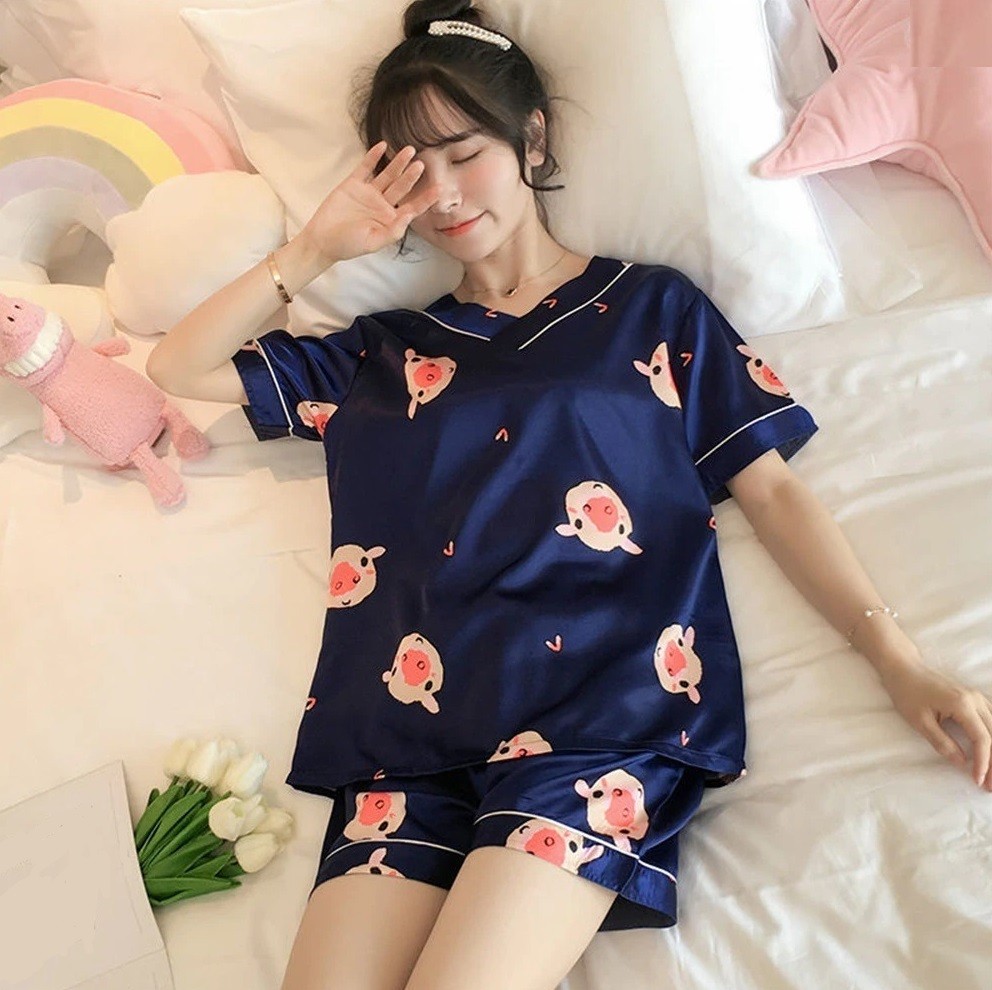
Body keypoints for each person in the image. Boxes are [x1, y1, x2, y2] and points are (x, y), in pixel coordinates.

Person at [147, 2, 992, 988]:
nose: (443, 194)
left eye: (465, 154)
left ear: (532, 139)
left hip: (597, 723)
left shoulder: (652, 309)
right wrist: (315, 252)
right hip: (404, 738)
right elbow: (179, 365)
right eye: (412, 172)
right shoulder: (378, 355)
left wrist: (896, 660)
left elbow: (769, 493)